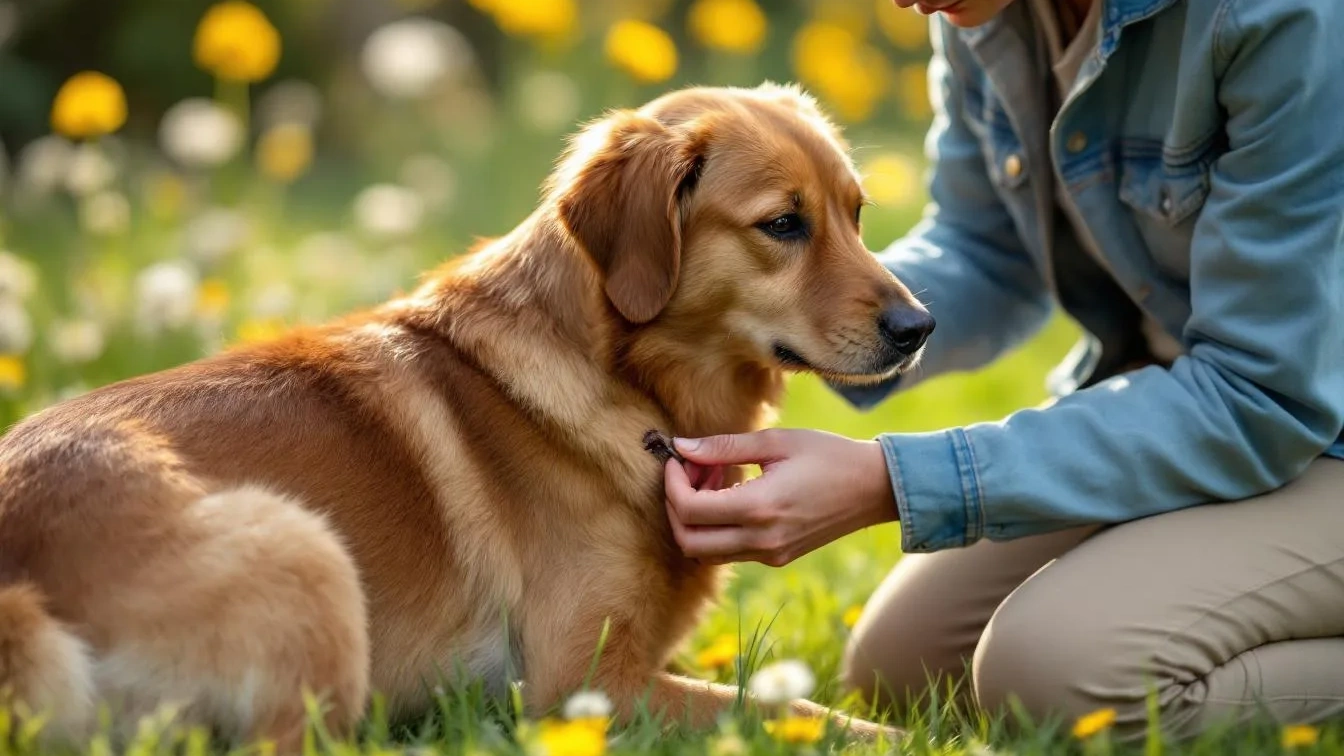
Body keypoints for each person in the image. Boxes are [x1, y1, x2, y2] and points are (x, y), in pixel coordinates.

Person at [662, 0, 1344, 740]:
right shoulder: (979, 10)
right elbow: (987, 246)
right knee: (903, 668)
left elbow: (1260, 392)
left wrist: (892, 480)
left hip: (1296, 422)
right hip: (1192, 407)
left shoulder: (1283, 18)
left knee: (1057, 675)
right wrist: (827, 318)